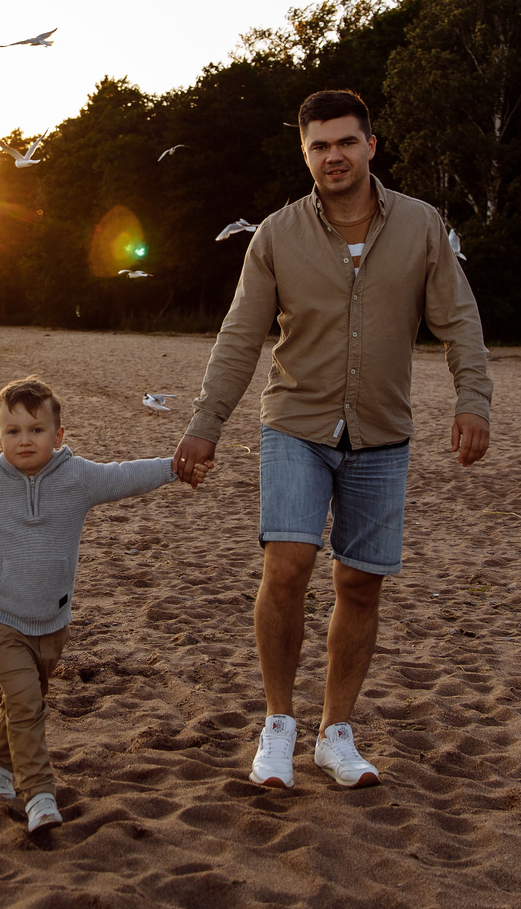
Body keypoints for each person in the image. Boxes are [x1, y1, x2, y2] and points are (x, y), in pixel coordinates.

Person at [171, 89, 492, 790]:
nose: (333, 155)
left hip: (382, 429)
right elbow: (240, 336)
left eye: (345, 141)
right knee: (287, 566)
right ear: (304, 153)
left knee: (360, 582)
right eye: (318, 145)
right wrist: (206, 422)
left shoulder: (421, 226)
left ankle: (335, 732)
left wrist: (474, 399)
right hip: (296, 423)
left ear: (371, 145)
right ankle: (279, 724)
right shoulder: (276, 236)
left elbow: (459, 320)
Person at [0, 376, 187, 834]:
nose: (24, 440)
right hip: (1, 617)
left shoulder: (78, 477)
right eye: (13, 432)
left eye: (36, 430)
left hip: (53, 622)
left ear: (59, 435)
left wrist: (176, 466)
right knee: (27, 702)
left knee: (24, 702)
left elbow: (126, 474)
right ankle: (40, 796)